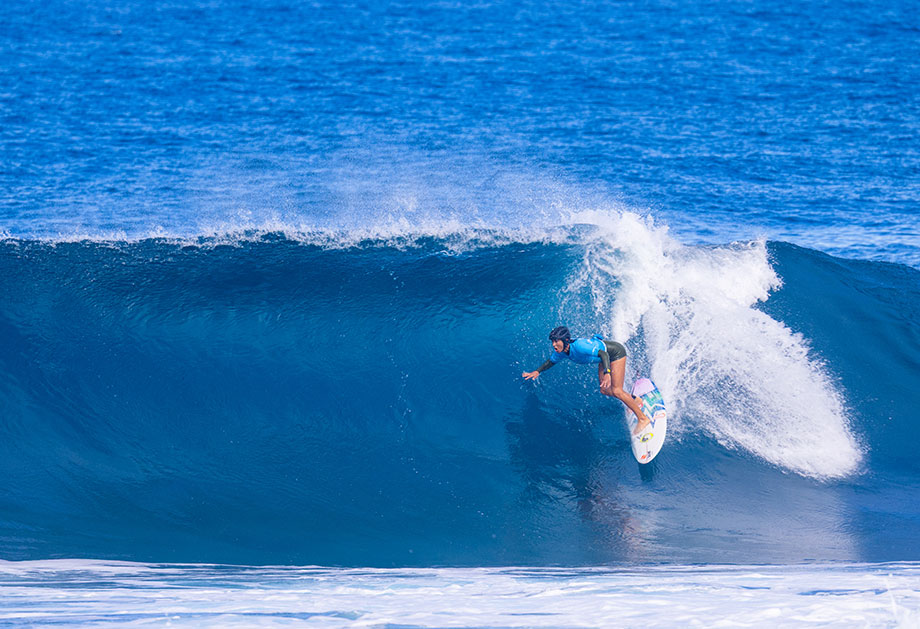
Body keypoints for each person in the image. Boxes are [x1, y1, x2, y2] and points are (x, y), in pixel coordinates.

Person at [522, 326, 651, 434]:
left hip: (615, 353)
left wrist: (607, 372)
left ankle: (643, 419)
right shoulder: (561, 352)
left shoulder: (579, 346)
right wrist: (537, 371)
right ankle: (635, 400)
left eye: (556, 341)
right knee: (604, 390)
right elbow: (551, 361)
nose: (554, 345)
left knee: (617, 390)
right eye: (552, 342)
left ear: (565, 340)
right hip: (603, 358)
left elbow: (604, 354)